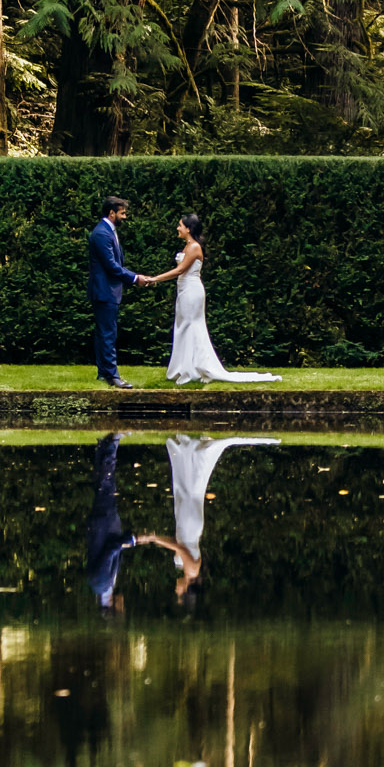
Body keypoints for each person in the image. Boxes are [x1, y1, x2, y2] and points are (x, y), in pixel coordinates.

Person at [139, 213, 280, 385]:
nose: (178, 228)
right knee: (183, 326)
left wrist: (154, 279)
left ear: (188, 229)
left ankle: (192, 369)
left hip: (192, 290)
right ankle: (184, 367)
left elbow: (179, 270)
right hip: (184, 289)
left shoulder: (194, 247)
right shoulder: (188, 246)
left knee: (192, 325)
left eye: (180, 225)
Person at [137, 434, 280, 602]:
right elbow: (181, 549)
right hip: (190, 526)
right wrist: (154, 538)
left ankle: (191, 452)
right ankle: (195, 452)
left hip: (187, 527)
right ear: (186, 589)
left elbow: (178, 545)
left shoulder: (187, 569)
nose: (176, 589)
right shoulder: (191, 571)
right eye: (178, 593)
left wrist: (157, 537)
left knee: (186, 491)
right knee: (190, 492)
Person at [85, 195, 145, 388]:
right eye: (122, 213)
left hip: (105, 290)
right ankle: (112, 376)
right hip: (104, 291)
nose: (124, 217)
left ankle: (103, 372)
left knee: (104, 332)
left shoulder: (107, 231)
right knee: (108, 333)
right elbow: (111, 266)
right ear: (112, 213)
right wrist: (135, 278)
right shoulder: (102, 233)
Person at [85, 432, 137, 610]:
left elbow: (109, 551)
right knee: (102, 485)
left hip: (104, 526)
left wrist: (130, 541)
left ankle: (112, 443)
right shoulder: (98, 586)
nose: (124, 605)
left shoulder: (103, 583)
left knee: (106, 484)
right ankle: (104, 445)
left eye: (122, 608)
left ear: (114, 607)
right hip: (100, 526)